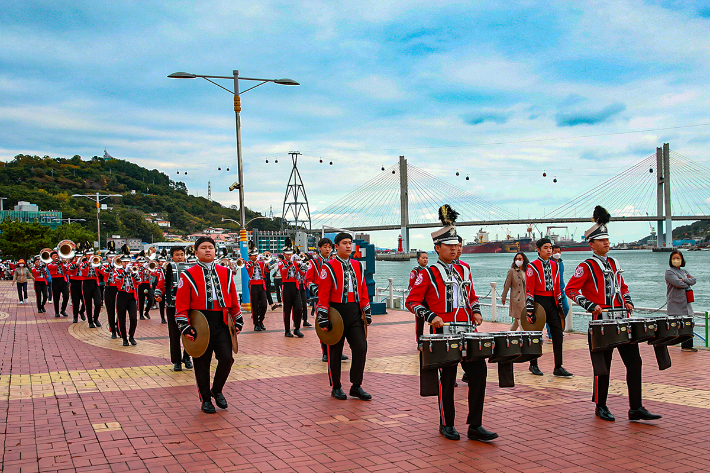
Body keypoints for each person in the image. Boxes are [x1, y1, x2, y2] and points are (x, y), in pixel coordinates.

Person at [405, 205, 496, 442]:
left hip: (468, 331)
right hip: (443, 332)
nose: (455, 249)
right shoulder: (428, 273)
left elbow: (472, 296)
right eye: (450, 246)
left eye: (457, 245)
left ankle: (475, 425)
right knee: (447, 379)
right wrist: (431, 316)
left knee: (479, 374)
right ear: (438, 248)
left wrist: (475, 311)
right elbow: (411, 302)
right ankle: (446, 423)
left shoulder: (465, 269)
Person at [566, 205, 661, 422]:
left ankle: (636, 407)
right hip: (602, 322)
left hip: (623, 320)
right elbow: (570, 289)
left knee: (635, 362)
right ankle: (601, 405)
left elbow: (623, 286)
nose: (606, 243)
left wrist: (628, 301)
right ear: (592, 244)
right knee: (603, 367)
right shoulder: (586, 266)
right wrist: (590, 306)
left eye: (607, 239)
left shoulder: (615, 262)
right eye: (601, 240)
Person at [175, 237, 243, 413]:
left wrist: (237, 319)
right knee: (202, 364)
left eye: (211, 247)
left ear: (215, 251)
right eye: (203, 248)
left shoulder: (226, 273)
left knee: (227, 358)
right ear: (196, 252)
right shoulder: (187, 275)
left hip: (221, 321)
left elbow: (233, 299)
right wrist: (185, 326)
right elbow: (181, 306)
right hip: (200, 322)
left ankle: (217, 389)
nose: (207, 250)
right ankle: (205, 399)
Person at [317, 232, 371, 401]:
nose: (349, 246)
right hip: (336, 312)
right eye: (345, 243)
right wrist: (323, 316)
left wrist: (366, 312)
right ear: (336, 246)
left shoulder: (358, 265)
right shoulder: (328, 267)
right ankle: (336, 386)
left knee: (361, 348)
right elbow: (323, 294)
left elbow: (363, 289)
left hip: (354, 312)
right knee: (335, 351)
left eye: (350, 243)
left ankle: (356, 386)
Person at [526, 238, 572, 378]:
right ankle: (533, 364)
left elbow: (558, 285)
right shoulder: (532, 266)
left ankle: (558, 366)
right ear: (538, 250)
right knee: (535, 334)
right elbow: (529, 289)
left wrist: (559, 304)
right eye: (545, 247)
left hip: (552, 302)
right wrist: (530, 310)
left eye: (550, 248)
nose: (549, 250)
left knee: (558, 334)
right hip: (538, 302)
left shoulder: (555, 265)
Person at [306, 237, 349, 362]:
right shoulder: (313, 263)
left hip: (334, 298)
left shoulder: (334, 261)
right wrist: (316, 289)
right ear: (319, 248)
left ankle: (338, 351)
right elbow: (307, 280)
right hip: (320, 298)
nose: (327, 249)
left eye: (329, 247)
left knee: (338, 324)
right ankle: (325, 352)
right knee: (324, 324)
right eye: (325, 247)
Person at [154, 246, 193, 371]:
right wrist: (158, 294)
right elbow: (161, 283)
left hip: (187, 305)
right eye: (177, 254)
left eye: (182, 254)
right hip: (172, 305)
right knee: (174, 334)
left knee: (188, 332)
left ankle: (187, 357)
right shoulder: (167, 268)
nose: (180, 257)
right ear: (172, 256)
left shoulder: (190, 268)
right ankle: (176, 361)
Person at [665, 250, 697, 352]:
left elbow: (694, 280)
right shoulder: (669, 272)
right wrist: (686, 281)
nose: (676, 260)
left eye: (678, 258)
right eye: (674, 258)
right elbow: (678, 283)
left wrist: (684, 280)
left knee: (688, 323)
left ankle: (687, 345)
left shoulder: (684, 271)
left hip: (686, 302)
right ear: (670, 260)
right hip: (675, 302)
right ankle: (667, 343)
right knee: (674, 324)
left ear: (682, 260)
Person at [279, 238, 305, 338]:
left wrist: (302, 265)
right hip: (287, 287)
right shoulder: (282, 263)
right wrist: (290, 264)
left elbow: (303, 273)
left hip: (295, 286)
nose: (289, 256)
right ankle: (287, 330)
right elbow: (284, 272)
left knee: (299, 308)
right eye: (287, 254)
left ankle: (297, 328)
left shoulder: (295, 262)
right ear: (284, 254)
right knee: (287, 310)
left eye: (290, 254)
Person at [501, 252, 529, 331]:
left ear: (524, 260)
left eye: (520, 259)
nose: (518, 261)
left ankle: (510, 335)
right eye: (516, 259)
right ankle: (524, 337)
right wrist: (504, 297)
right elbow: (506, 285)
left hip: (526, 299)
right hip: (517, 299)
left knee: (517, 321)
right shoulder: (512, 271)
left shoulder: (527, 271)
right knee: (521, 320)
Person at [245, 242, 268, 331]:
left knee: (264, 304)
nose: (255, 257)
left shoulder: (261, 263)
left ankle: (261, 320)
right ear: (250, 256)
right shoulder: (248, 263)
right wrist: (255, 262)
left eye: (256, 255)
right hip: (253, 285)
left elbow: (268, 270)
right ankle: (256, 324)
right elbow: (248, 268)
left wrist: (266, 262)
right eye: (253, 255)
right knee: (255, 305)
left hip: (261, 285)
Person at [408, 251, 429, 342]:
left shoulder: (430, 270)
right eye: (423, 258)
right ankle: (420, 341)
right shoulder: (415, 271)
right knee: (420, 322)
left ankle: (433, 339)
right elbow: (411, 286)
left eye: (426, 258)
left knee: (433, 321)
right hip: (420, 301)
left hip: (429, 300)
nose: (425, 259)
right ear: (418, 259)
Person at [79, 247, 102, 328]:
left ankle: (95, 318)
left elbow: (101, 271)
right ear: (85, 255)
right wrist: (88, 263)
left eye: (91, 254)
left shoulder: (96, 261)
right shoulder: (83, 262)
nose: (90, 256)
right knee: (88, 304)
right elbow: (81, 268)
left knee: (98, 303)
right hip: (86, 283)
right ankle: (90, 321)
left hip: (95, 283)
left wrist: (99, 263)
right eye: (88, 254)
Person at [47, 251, 70, 317]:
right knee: (56, 297)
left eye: (57, 256)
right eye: (54, 256)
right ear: (51, 257)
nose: (56, 257)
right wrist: (58, 262)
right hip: (55, 281)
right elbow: (52, 267)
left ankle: (63, 310)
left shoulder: (62, 263)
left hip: (63, 280)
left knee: (66, 296)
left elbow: (67, 271)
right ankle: (56, 312)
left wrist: (66, 265)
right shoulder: (50, 263)